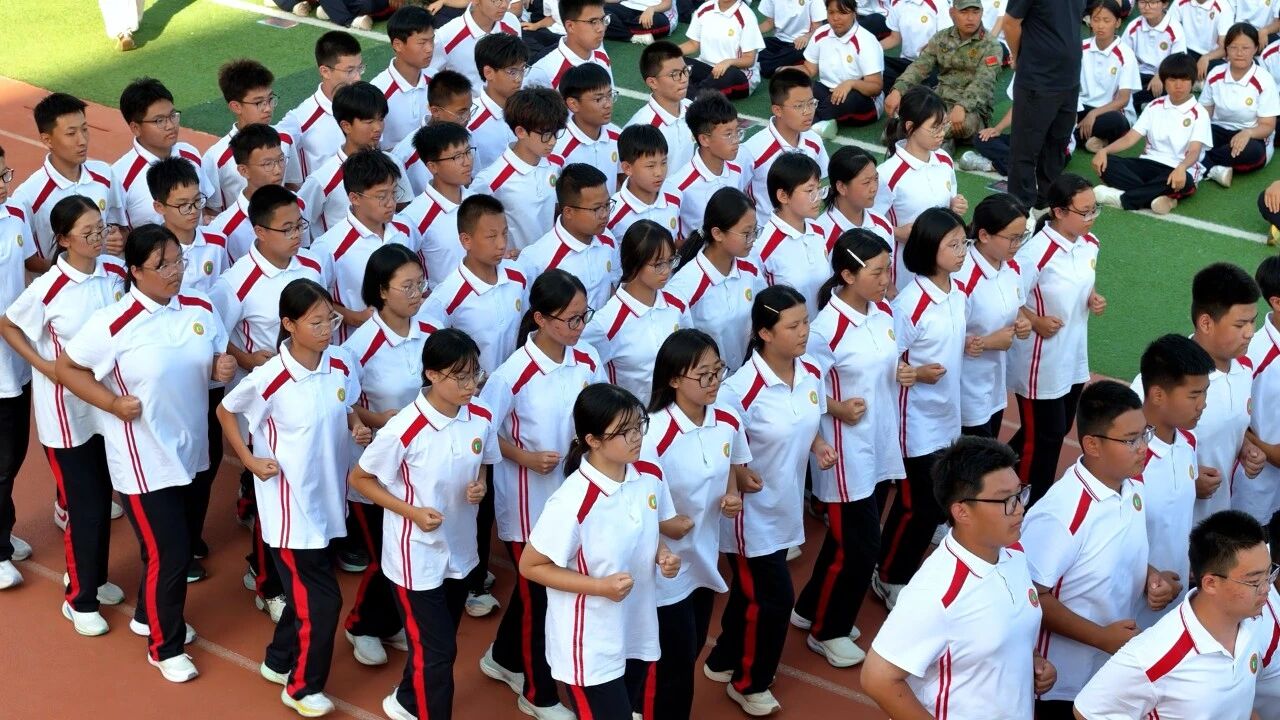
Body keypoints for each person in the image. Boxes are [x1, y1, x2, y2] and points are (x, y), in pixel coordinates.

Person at [58, 224, 235, 682]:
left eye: (178, 262)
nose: (175, 272)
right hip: (143, 459)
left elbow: (212, 362)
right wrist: (112, 403)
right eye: (162, 265)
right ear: (135, 271)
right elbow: (68, 367)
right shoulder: (113, 324)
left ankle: (147, 615)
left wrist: (220, 366)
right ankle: (165, 646)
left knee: (175, 546)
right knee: (170, 553)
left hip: (193, 451)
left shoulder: (200, 306)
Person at [218, 279, 370, 717]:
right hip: (290, 509)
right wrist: (249, 459)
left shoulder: (339, 363)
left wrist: (357, 426)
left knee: (305, 593)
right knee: (324, 601)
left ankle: (279, 660)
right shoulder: (271, 377)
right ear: (288, 324)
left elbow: (346, 406)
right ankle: (301, 688)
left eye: (330, 320)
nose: (326, 330)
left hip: (327, 498)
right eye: (316, 323)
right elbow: (226, 410)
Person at [348, 328, 497, 720]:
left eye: (475, 374)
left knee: (434, 645)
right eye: (460, 377)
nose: (470, 385)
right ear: (431, 374)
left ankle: (406, 700)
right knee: (439, 650)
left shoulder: (481, 415)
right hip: (415, 557)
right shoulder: (404, 428)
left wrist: (480, 485)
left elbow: (483, 461)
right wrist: (411, 512)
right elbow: (360, 479)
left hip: (460, 549)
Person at [477, 269, 606, 720]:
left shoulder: (587, 358)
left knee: (536, 592)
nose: (579, 326)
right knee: (543, 598)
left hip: (572, 498)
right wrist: (525, 457)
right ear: (540, 319)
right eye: (571, 319)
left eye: (584, 315)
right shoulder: (512, 374)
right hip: (528, 502)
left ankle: (504, 656)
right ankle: (538, 693)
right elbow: (483, 431)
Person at [703, 285, 836, 717]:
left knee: (752, 594)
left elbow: (804, 421)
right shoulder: (738, 390)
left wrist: (818, 444)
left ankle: (724, 657)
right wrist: (739, 474)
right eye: (793, 326)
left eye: (805, 322)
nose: (804, 331)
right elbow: (718, 447)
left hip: (785, 506)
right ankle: (750, 683)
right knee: (775, 600)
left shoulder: (810, 370)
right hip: (749, 515)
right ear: (764, 333)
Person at [516, 383, 678, 717]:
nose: (636, 437)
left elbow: (646, 530)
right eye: (624, 431)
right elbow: (531, 565)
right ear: (593, 440)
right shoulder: (573, 500)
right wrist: (600, 587)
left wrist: (662, 554)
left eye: (639, 425)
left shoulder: (650, 475)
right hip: (590, 644)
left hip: (636, 627)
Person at [863, 436, 1055, 719]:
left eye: (1020, 494)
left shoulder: (1013, 552)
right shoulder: (937, 593)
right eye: (1005, 500)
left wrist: (1035, 662)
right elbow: (877, 677)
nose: (1019, 507)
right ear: (962, 511)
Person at [0, 196, 126, 625]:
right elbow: (8, 324)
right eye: (88, 232)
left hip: (107, 407)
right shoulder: (48, 288)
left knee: (102, 497)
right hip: (67, 415)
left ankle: (93, 576)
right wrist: (42, 365)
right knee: (85, 504)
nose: (98, 238)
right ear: (63, 239)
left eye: (101, 228)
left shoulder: (114, 274)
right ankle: (79, 599)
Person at [792, 230, 913, 667]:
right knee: (860, 546)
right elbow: (801, 385)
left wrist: (900, 372)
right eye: (876, 272)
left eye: (887, 269)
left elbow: (884, 361)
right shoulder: (826, 329)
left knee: (848, 541)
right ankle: (828, 631)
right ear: (847, 275)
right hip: (844, 452)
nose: (886, 279)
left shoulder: (884, 313)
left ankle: (810, 609)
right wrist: (837, 407)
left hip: (879, 441)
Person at [1019, 380, 1173, 720]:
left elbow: (1117, 550)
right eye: (1131, 440)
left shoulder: (1131, 486)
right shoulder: (1061, 513)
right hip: (1060, 682)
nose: (1143, 448)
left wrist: (1152, 578)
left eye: (1144, 434)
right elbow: (1029, 595)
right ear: (1092, 444)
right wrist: (1102, 638)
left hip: (1107, 668)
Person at [210, 185, 327, 622]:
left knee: (306, 482)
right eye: (287, 228)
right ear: (259, 232)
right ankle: (266, 581)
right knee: (273, 493)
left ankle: (301, 558)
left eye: (300, 225)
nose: (297, 235)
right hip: (264, 408)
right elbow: (216, 334)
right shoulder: (236, 281)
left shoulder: (313, 264)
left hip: (309, 397)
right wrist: (245, 359)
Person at [420, 195, 528, 618]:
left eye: (504, 234)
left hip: (514, 404)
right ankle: (468, 579)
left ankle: (477, 569)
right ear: (466, 240)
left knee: (499, 485)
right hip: (470, 410)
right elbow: (432, 352)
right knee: (472, 494)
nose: (501, 244)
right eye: (491, 236)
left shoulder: (517, 277)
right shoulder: (448, 296)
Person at [640, 329, 748, 720]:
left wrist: (732, 494)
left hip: (703, 555)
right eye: (703, 375)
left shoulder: (728, 420)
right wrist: (665, 525)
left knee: (692, 646)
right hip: (663, 565)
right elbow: (634, 497)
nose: (714, 381)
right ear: (673, 379)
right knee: (673, 661)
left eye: (718, 371)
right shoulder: (652, 434)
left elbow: (732, 466)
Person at [1074, 510, 1276, 719]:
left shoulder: (1253, 623)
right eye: (1254, 581)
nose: (1266, 588)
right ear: (1210, 583)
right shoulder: (1154, 655)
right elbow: (1086, 711)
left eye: (1269, 574)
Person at [874, 208, 968, 607]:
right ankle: (889, 575)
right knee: (917, 506)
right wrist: (915, 373)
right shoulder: (911, 303)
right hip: (913, 421)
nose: (962, 251)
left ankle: (899, 565)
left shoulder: (956, 294)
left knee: (929, 504)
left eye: (963, 242)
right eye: (953, 245)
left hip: (946, 414)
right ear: (929, 249)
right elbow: (885, 359)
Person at [147, 158, 231, 582]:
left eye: (197, 201)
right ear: (158, 207)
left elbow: (224, 301)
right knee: (171, 458)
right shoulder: (148, 252)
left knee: (208, 456)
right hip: (171, 375)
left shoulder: (217, 242)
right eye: (182, 205)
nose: (193, 211)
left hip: (209, 368)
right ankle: (172, 543)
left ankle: (190, 533)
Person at [1006, 173, 1104, 503]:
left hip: (1072, 357)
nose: (1091, 218)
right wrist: (1034, 320)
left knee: (1055, 430)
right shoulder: (1035, 253)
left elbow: (1082, 281)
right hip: (1040, 363)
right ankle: (1025, 503)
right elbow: (1008, 297)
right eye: (1084, 212)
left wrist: (1092, 297)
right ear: (1059, 212)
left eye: (1095, 209)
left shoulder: (1090, 244)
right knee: (1044, 441)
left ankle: (994, 471)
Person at [1168, 264, 1264, 523]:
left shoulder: (1245, 369)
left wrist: (1246, 449)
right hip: (1173, 529)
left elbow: (1229, 426)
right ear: (1206, 323)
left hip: (1217, 522)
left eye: (1253, 321)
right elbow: (1131, 450)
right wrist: (1187, 481)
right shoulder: (1167, 378)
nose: (1250, 332)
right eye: (1240, 324)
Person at [1131, 334, 1213, 631]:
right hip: (1133, 614)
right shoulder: (1130, 462)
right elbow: (1108, 543)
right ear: (1157, 395)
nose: (1203, 404)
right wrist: (1148, 576)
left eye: (1205, 393)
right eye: (1193, 395)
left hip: (1174, 603)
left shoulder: (1188, 441)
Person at [309, 148, 413, 343]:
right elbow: (315, 301)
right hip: (358, 344)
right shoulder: (329, 247)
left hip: (405, 337)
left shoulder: (405, 228)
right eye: (381, 196)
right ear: (354, 198)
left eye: (394, 193)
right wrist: (354, 317)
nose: (391, 203)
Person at [1093, 48, 1212, 215]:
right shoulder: (1154, 106)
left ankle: (1124, 199)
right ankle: (1160, 198)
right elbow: (1130, 139)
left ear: (1192, 82)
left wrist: (1182, 167)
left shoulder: (1200, 113)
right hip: (1149, 162)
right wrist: (1104, 151)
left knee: (1186, 182)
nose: (1178, 85)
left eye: (1184, 79)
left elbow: (1194, 152)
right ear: (1164, 81)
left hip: (1179, 169)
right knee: (1108, 164)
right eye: (1172, 79)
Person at [12, 93, 123, 269]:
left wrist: (119, 238)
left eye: (84, 129)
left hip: (106, 280)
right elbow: (26, 258)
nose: (82, 140)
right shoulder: (28, 196)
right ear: (47, 139)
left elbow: (120, 225)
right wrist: (68, 272)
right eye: (71, 133)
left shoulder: (105, 175)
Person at [872, 86, 967, 292]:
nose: (942, 134)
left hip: (941, 265)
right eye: (935, 128)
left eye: (944, 125)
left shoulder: (944, 160)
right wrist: (896, 232)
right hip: (905, 271)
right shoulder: (888, 174)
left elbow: (947, 204)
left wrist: (952, 206)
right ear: (910, 127)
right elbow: (869, 224)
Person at [583, 221, 687, 405]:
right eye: (658, 264)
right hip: (637, 419)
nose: (667, 270)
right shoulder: (606, 322)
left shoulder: (677, 304)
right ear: (634, 263)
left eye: (671, 261)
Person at [956, 193, 1031, 438]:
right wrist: (989, 342)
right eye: (1012, 238)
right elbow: (941, 338)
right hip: (965, 389)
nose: (1018, 244)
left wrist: (1022, 321)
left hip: (994, 385)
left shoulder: (1012, 266)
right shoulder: (961, 277)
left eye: (1022, 236)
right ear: (984, 235)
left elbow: (1017, 308)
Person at [666, 187, 766, 372]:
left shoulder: (750, 269)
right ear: (718, 233)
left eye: (755, 230)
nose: (753, 239)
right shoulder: (685, 286)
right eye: (746, 233)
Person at [298, 82, 413, 238]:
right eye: (369, 122)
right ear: (346, 126)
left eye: (380, 119)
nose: (378, 128)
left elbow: (404, 206)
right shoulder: (323, 179)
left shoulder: (391, 162)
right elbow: (299, 218)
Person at [1004, 0, 1089, 211]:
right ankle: (1020, 210)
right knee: (1025, 149)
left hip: (1069, 80)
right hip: (1038, 79)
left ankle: (1047, 202)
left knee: (1057, 144)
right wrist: (1018, 56)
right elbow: (1010, 23)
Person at [883, 0, 1003, 147]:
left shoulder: (992, 45)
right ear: (952, 13)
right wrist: (898, 90)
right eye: (964, 12)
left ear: (982, 13)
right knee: (898, 125)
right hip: (940, 99)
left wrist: (962, 106)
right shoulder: (941, 38)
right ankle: (943, 140)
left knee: (964, 123)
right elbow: (919, 66)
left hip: (973, 108)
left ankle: (919, 135)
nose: (971, 18)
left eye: (975, 12)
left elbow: (984, 82)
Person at [0, 148, 37, 590]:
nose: (3, 185)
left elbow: (29, 264)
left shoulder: (14, 216)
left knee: (14, 453)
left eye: (5, 174)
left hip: (16, 356)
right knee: (3, 458)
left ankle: (3, 528)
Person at [471, 87, 569, 252]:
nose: (552, 141)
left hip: (551, 260)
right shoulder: (491, 180)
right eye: (546, 134)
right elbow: (470, 227)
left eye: (556, 133)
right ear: (521, 132)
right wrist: (500, 255)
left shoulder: (557, 164)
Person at [112, 77, 214, 229]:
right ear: (135, 128)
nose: (171, 125)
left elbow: (205, 205)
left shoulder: (190, 153)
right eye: (159, 121)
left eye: (173, 116)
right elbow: (118, 232)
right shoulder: (119, 177)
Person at [204, 59, 303, 214]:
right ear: (236, 106)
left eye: (270, 99)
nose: (268, 108)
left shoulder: (285, 139)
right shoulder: (216, 158)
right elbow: (211, 209)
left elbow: (291, 185)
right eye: (259, 103)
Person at [518, 163, 620, 307]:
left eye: (607, 204)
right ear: (568, 212)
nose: (605, 214)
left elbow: (613, 285)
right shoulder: (537, 260)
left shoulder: (608, 239)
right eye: (597, 208)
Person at [740, 69, 832, 220]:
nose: (808, 111)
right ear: (777, 110)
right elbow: (737, 194)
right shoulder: (752, 151)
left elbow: (821, 179)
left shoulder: (814, 140)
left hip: (804, 225)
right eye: (799, 106)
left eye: (811, 103)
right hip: (765, 230)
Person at [1199, 23, 1279, 188]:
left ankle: (1200, 162)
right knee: (1187, 138)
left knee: (1252, 153)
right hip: (1219, 130)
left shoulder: (1264, 80)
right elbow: (1204, 112)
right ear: (1226, 49)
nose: (1239, 53)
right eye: (1233, 47)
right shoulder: (1215, 74)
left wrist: (1248, 133)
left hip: (1252, 135)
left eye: (1245, 48)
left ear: (1255, 48)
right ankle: (1213, 168)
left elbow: (1268, 126)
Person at [752, 152, 830, 319]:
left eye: (819, 189)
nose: (818, 198)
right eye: (810, 190)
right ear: (783, 196)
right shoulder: (762, 247)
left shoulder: (818, 231)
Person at [399, 122, 475, 289]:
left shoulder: (478, 201)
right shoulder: (413, 218)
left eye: (468, 152)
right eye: (457, 156)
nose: (467, 162)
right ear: (432, 166)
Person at [282, 31, 365, 179]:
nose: (358, 77)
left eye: (360, 68)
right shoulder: (301, 119)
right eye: (350, 71)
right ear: (325, 71)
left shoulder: (367, 104)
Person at [1236, 256, 1280, 533]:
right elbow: (1226, 410)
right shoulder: (1254, 355)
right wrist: (1253, 444)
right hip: (1257, 494)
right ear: (1277, 302)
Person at [208, 124, 293, 262]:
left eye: (281, 160)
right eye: (267, 164)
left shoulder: (297, 204)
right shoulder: (223, 230)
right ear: (243, 171)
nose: (278, 170)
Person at [801, 0, 885, 133]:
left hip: (863, 100)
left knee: (844, 101)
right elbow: (809, 69)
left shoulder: (867, 41)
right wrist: (788, 74)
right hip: (828, 90)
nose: (836, 18)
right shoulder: (821, 34)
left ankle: (807, 120)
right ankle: (822, 120)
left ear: (854, 13)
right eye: (831, 12)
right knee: (794, 85)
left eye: (842, 12)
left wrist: (851, 83)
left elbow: (876, 87)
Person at [673, 91, 747, 239]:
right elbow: (674, 239)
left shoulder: (737, 170)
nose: (736, 140)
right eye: (728, 134)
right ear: (704, 140)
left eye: (737, 131)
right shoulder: (679, 186)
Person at [391, 71, 476, 197]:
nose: (468, 117)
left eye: (470, 109)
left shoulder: (466, 134)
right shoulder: (405, 155)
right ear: (435, 111)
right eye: (461, 112)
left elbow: (472, 179)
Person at [1077, 0, 1142, 153]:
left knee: (1116, 122)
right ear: (1090, 21)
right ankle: (1092, 139)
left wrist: (1093, 113)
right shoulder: (1081, 48)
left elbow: (1123, 100)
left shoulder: (1126, 54)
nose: (1100, 25)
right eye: (1096, 19)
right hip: (1082, 106)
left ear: (1117, 23)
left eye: (1106, 21)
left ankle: (1072, 136)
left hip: (1110, 111)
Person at [371, 6, 438, 152]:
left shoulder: (438, 82)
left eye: (432, 40)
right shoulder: (377, 92)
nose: (430, 48)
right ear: (398, 45)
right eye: (422, 42)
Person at [552, 64, 622, 193]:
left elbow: (623, 179)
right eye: (598, 99)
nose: (608, 104)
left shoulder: (618, 136)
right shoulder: (557, 146)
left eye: (609, 95)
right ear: (573, 104)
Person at [627, 41, 695, 172]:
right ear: (652, 82)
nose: (684, 79)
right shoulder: (641, 129)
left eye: (685, 70)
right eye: (674, 74)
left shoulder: (691, 109)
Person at [608, 125, 682, 241]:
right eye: (650, 166)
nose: (659, 172)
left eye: (663, 163)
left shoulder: (675, 196)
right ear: (627, 168)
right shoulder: (612, 214)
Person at [680, 0, 767, 99]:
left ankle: (693, 97)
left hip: (737, 73)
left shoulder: (747, 16)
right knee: (678, 63)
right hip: (708, 68)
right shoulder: (704, 9)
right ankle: (692, 94)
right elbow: (693, 44)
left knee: (728, 75)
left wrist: (728, 62)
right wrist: (669, 53)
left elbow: (749, 59)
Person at [815, 147, 894, 254]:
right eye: (866, 182)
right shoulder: (821, 235)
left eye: (876, 179)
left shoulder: (883, 225)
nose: (874, 188)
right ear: (841, 187)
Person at [428, 0, 522, 91]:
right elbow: (427, 76)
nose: (505, 5)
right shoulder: (446, 36)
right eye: (496, 0)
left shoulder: (511, 22)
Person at [468, 34, 528, 171]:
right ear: (488, 72)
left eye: (523, 69)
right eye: (512, 71)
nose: (519, 79)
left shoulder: (530, 111)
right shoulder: (470, 122)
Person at [524, 0, 616, 89]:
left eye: (603, 19)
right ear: (570, 26)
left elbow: (610, 95)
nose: (601, 28)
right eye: (593, 22)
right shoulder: (545, 72)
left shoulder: (601, 55)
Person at [1122, 0, 1187, 112]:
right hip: (1139, 74)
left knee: (1173, 87)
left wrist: (1160, 75)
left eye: (1152, 3)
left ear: (1165, 4)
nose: (1147, 7)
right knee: (1122, 85)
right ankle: (1148, 104)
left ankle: (1142, 103)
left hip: (1164, 75)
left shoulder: (1175, 28)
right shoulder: (1133, 26)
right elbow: (1124, 55)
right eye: (1143, 2)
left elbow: (1178, 62)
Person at [880, 0, 953, 92]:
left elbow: (946, 39)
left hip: (931, 64)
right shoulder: (897, 3)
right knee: (879, 64)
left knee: (926, 87)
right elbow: (894, 38)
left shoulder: (939, 3)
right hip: (906, 62)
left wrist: (929, 49)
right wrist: (873, 47)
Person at [756, 0, 826, 79]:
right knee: (758, 45)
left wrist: (806, 37)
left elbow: (818, 28)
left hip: (800, 43)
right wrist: (750, 33)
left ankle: (763, 66)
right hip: (778, 40)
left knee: (800, 51)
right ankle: (776, 66)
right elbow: (769, 23)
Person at [1168, 0, 1231, 80]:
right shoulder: (1179, 2)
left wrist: (1206, 57)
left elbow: (1224, 48)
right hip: (1186, 51)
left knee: (1223, 73)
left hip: (1212, 55)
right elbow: (1169, 31)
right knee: (1172, 66)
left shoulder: (1223, 6)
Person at [602, 0, 676, 44]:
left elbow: (667, 4)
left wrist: (651, 9)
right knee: (601, 15)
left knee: (659, 23)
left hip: (657, 11)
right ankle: (633, 37)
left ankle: (617, 28)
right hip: (627, 6)